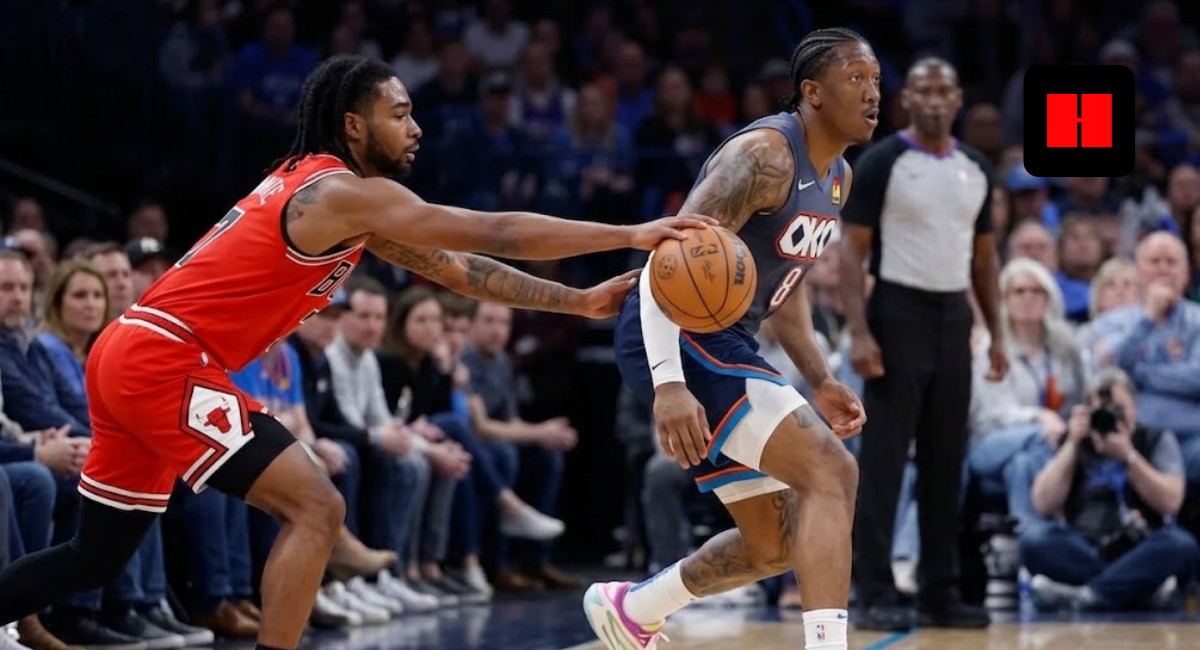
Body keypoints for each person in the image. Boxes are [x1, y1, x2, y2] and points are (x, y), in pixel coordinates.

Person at [0, 53, 710, 650]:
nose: (416, 126)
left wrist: (578, 302)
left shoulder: (342, 200)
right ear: (352, 124)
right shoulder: (338, 191)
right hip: (163, 357)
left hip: (137, 350)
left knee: (94, 554)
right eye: (399, 113)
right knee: (317, 508)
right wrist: (629, 231)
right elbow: (490, 230)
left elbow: (461, 271)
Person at [585, 28, 878, 650]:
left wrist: (820, 377)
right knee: (832, 472)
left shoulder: (838, 178)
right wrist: (668, 385)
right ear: (812, 92)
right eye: (856, 78)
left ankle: (634, 608)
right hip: (675, 330)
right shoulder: (764, 157)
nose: (874, 92)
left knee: (773, 544)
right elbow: (673, 254)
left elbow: (787, 278)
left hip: (727, 338)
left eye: (876, 79)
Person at [839, 57, 1005, 630]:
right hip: (897, 310)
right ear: (906, 99)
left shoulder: (977, 166)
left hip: (954, 314)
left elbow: (985, 260)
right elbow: (850, 253)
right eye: (923, 91)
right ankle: (874, 592)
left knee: (945, 461)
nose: (934, 100)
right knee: (884, 462)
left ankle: (940, 591)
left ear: (958, 98)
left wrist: (998, 335)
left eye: (944, 91)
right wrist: (859, 332)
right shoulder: (884, 160)